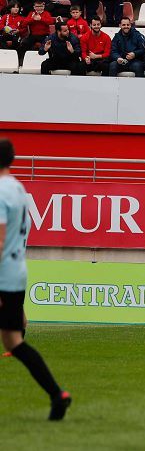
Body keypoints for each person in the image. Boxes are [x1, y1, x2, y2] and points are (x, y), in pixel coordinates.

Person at [0, 140, 72, 421]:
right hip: (16, 271)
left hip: (3, 273)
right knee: (14, 342)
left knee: (14, 341)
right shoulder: (18, 188)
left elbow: (1, 238)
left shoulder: (1, 190)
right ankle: (57, 395)